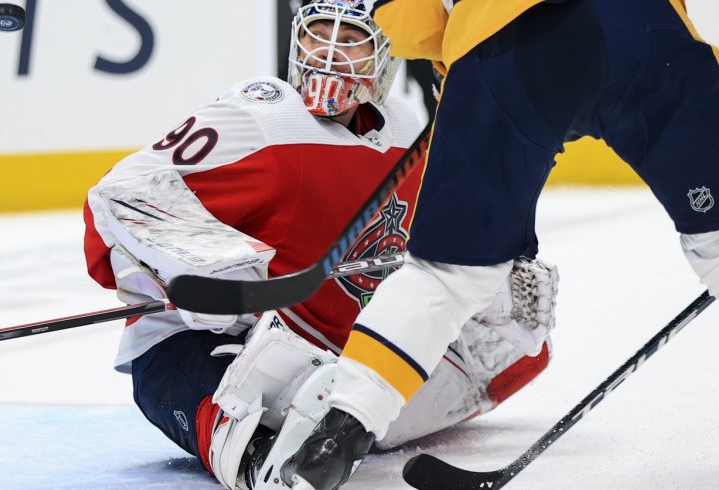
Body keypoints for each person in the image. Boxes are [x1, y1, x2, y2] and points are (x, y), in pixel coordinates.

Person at [83, 1, 557, 488]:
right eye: (317, 35)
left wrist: (492, 277)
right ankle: (259, 459)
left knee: (504, 354)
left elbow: (442, 245)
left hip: (324, 354)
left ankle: (340, 413)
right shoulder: (263, 118)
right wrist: (204, 264)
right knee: (270, 425)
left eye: (349, 39)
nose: (329, 54)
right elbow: (123, 194)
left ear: (382, 54)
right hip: (204, 347)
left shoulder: (408, 129)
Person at [278, 1, 719, 489]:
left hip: (505, 44)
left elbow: (405, 16)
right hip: (640, 28)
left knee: (444, 277)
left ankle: (337, 436)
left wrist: (455, 61)